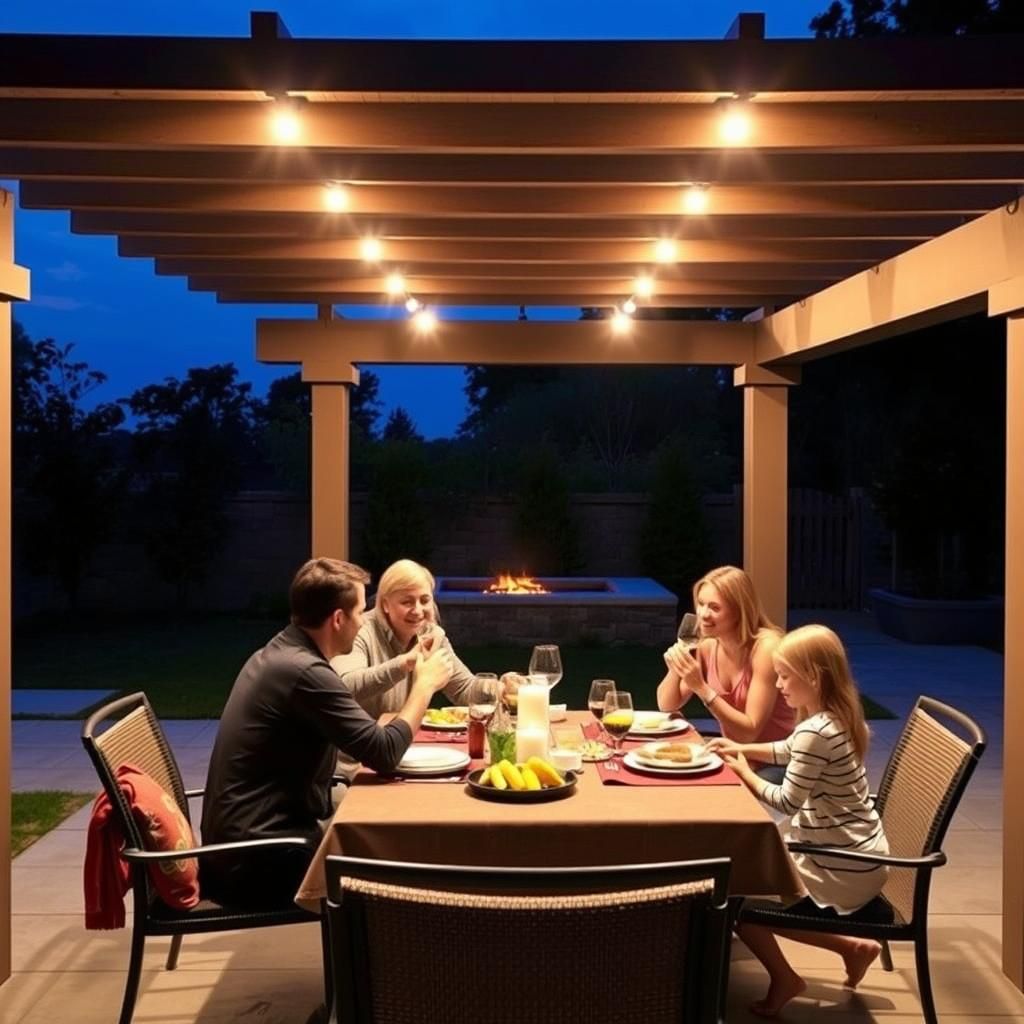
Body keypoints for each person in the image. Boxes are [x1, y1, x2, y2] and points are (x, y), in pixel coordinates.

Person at [200, 557, 453, 910]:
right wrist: (423, 687)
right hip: (258, 860)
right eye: (361, 613)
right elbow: (384, 752)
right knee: (401, 868)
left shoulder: (281, 653)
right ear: (338, 619)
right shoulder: (305, 674)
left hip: (242, 844)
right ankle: (384, 957)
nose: (364, 622)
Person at [708, 624, 890, 1019]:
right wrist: (741, 747)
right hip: (858, 853)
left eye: (785, 675)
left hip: (841, 865)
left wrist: (744, 773)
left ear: (815, 677)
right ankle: (853, 947)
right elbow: (785, 749)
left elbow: (787, 801)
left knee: (733, 895)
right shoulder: (833, 719)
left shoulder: (816, 732)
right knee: (748, 869)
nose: (778, 683)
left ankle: (788, 977)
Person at [656, 565, 794, 779]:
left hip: (780, 762)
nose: (703, 614)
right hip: (737, 755)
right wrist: (677, 665)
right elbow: (667, 704)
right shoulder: (708, 645)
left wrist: (702, 689)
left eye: (714, 608)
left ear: (740, 610)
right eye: (700, 604)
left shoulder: (767, 649)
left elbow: (749, 733)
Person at [331, 558, 476, 717]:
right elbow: (344, 686)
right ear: (385, 604)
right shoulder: (360, 630)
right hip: (359, 738)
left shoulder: (430, 633)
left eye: (424, 600)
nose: (418, 610)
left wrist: (500, 688)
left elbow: (464, 689)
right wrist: (404, 664)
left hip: (401, 736)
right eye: (407, 602)